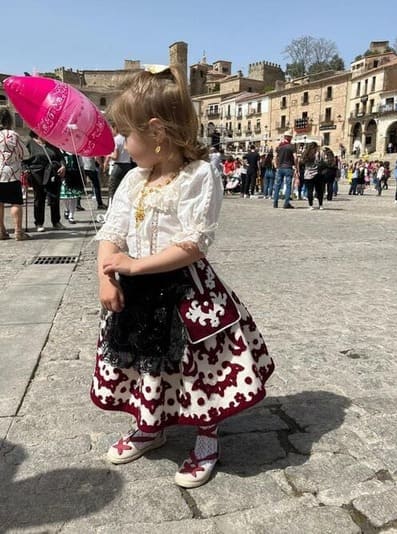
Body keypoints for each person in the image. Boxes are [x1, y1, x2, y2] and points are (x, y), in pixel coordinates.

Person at [90, 65, 275, 489]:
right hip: (136, 291)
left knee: (197, 370)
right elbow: (112, 232)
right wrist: (107, 274)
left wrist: (134, 266)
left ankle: (207, 437)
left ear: (156, 131)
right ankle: (151, 425)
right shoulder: (133, 179)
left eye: (126, 133)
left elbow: (193, 243)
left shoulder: (198, 175)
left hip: (185, 290)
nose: (122, 142)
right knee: (144, 364)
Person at [0, 109, 30, 240]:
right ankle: (18, 232)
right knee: (15, 202)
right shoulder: (12, 135)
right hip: (11, 173)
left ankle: (1, 231)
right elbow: (25, 154)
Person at [106, 123, 136, 201]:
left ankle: (112, 206)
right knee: (125, 189)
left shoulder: (116, 139)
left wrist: (109, 155)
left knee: (113, 188)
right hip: (128, 165)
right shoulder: (127, 138)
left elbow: (116, 157)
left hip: (119, 166)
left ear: (115, 128)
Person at [273, 131, 297, 209]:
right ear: (289, 137)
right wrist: (296, 166)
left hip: (280, 168)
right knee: (288, 186)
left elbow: (275, 157)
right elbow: (295, 157)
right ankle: (286, 203)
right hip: (288, 168)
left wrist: (276, 166)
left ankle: (275, 203)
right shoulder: (292, 146)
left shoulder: (279, 146)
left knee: (277, 185)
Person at [60, 152, 84, 224]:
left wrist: (83, 177)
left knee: (74, 197)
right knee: (65, 197)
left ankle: (71, 216)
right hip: (65, 177)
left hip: (75, 176)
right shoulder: (61, 153)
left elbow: (81, 165)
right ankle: (67, 209)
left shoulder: (77, 154)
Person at [302, 142, 325, 210]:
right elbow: (323, 161)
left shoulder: (306, 153)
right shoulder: (319, 153)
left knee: (310, 190)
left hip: (308, 174)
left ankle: (310, 205)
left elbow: (302, 163)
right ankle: (320, 205)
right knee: (319, 190)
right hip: (318, 173)